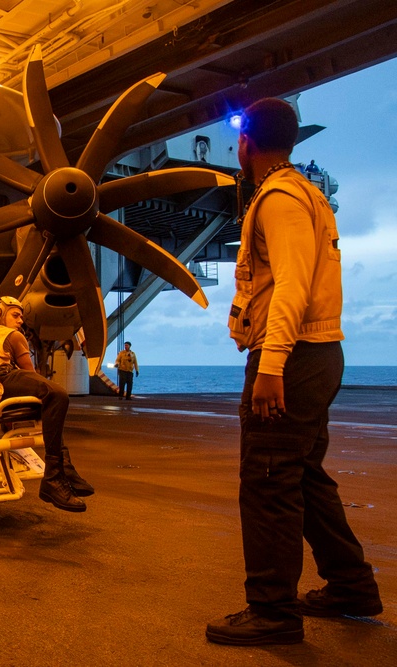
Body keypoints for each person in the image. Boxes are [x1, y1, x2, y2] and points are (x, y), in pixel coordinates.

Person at [206, 98, 381, 647]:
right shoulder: (306, 192)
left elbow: (291, 284)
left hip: (294, 355)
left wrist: (271, 364)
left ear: (245, 143)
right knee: (303, 476)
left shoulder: (278, 197)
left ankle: (272, 611)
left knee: (267, 482)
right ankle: (351, 586)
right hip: (318, 353)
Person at [0, 296, 93, 512]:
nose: (21, 320)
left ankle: (65, 468)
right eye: (16, 315)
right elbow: (30, 373)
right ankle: (53, 478)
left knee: (49, 406)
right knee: (57, 395)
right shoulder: (12, 335)